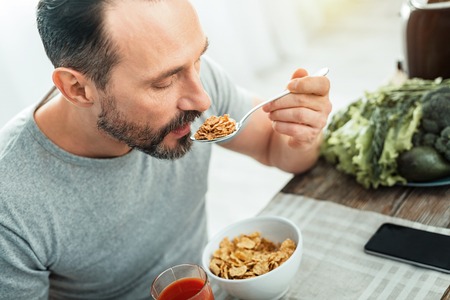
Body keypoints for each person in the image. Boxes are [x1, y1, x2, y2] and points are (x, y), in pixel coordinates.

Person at [0, 0, 331, 299]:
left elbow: (278, 150)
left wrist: (302, 131)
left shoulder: (195, 83)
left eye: (198, 59)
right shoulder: (11, 203)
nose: (202, 100)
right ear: (77, 88)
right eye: (162, 83)